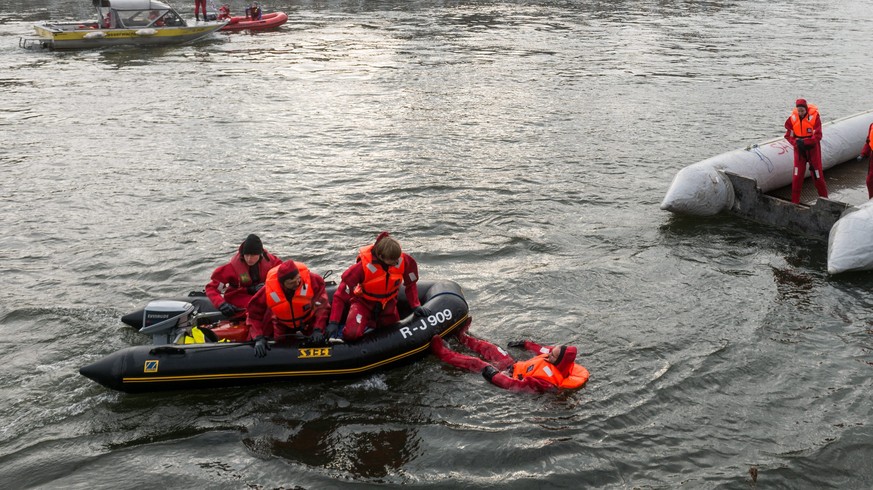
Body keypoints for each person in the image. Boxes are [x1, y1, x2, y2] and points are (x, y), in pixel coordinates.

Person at [327, 232, 428, 342]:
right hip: (364, 303)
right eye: (393, 260)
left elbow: (411, 284)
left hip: (389, 304)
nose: (396, 263)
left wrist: (415, 306)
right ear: (380, 256)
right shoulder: (361, 268)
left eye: (397, 259)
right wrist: (333, 322)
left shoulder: (404, 261)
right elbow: (340, 295)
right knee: (352, 334)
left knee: (396, 332)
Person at [429, 326, 589, 394]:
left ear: (559, 361)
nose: (548, 355)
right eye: (551, 352)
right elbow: (541, 349)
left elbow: (515, 385)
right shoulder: (553, 355)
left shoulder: (546, 383)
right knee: (492, 349)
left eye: (552, 356)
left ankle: (442, 352)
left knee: (477, 364)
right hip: (514, 366)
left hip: (509, 376)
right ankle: (462, 337)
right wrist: (525, 344)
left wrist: (493, 375)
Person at [246, 259, 331, 357]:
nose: (297, 283)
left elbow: (323, 307)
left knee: (318, 340)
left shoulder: (313, 280)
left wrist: (318, 329)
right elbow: (253, 315)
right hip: (282, 324)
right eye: (291, 283)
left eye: (298, 279)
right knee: (280, 350)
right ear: (282, 283)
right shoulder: (268, 290)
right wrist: (258, 337)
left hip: (308, 320)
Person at [205, 234, 282, 320]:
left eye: (253, 255)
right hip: (239, 296)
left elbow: (283, 273)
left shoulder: (271, 261)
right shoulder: (231, 268)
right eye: (246, 255)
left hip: (264, 292)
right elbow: (212, 288)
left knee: (279, 303)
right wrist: (221, 304)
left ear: (260, 254)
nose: (249, 259)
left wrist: (267, 285)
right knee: (258, 309)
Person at [784, 98, 829, 204]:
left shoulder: (814, 118)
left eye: (802, 111)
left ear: (806, 110)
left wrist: (805, 142)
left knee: (817, 176)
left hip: (812, 150)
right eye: (799, 111)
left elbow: (818, 136)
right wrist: (796, 142)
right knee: (797, 176)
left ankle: (825, 200)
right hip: (799, 150)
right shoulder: (792, 119)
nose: (800, 113)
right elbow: (788, 135)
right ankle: (795, 202)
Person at [860, 121, 873, 199]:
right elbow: (868, 141)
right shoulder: (872, 125)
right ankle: (871, 200)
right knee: (870, 181)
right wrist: (863, 154)